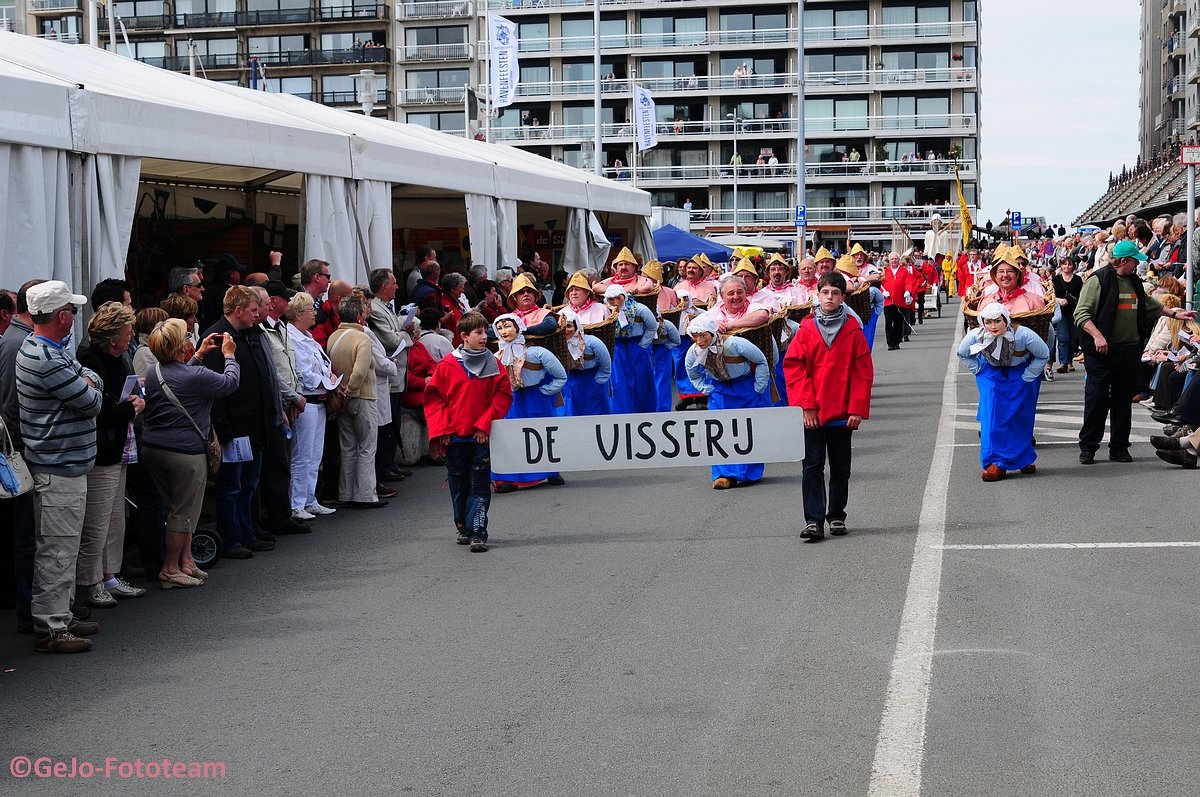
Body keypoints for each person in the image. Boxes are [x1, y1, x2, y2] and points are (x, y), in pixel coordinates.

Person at [17, 281, 104, 653]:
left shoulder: (45, 349)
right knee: (57, 550)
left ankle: (61, 615)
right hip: (58, 467)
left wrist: (88, 382)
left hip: (64, 465)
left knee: (63, 545)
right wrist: (88, 384)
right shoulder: (47, 357)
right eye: (71, 310)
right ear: (63, 316)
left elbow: (90, 379)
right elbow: (92, 400)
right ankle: (51, 627)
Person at [1075, 240, 1195, 464]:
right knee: (1097, 400)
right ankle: (1088, 448)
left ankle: (1119, 448)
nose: (1136, 266)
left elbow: (1150, 304)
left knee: (1122, 402)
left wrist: (1176, 315)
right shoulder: (1098, 280)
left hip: (1128, 352)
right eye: (1133, 262)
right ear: (1123, 261)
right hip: (1101, 354)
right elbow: (1081, 314)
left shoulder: (1134, 282)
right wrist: (1098, 336)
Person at [143, 319, 240, 587]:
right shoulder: (194, 376)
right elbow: (229, 383)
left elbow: (181, 378)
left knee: (181, 508)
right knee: (182, 511)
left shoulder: (155, 372)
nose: (190, 338)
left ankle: (186, 561)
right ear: (179, 345)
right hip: (184, 451)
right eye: (186, 336)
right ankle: (170, 568)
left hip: (154, 447)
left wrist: (197, 355)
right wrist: (229, 355)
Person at [783, 272, 874, 541]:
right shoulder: (807, 331)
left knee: (840, 467)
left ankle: (836, 515)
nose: (830, 297)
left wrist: (857, 408)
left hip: (842, 413)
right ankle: (813, 520)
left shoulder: (853, 331)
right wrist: (806, 407)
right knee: (811, 466)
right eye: (825, 293)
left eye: (835, 293)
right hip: (813, 413)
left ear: (843, 298)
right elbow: (794, 369)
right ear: (818, 295)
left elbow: (863, 372)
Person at [74, 302, 146, 608]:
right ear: (113, 336)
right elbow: (98, 411)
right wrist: (131, 407)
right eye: (127, 331)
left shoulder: (121, 357)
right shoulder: (89, 360)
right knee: (98, 522)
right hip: (103, 448)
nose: (131, 336)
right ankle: (91, 581)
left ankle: (111, 576)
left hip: (121, 444)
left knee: (116, 518)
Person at [201, 286, 281, 558]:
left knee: (249, 484)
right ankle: (232, 538)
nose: (257, 315)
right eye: (253, 311)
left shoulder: (250, 335)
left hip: (255, 423)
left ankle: (248, 531)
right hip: (235, 427)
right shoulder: (216, 338)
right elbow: (216, 390)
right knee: (232, 487)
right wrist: (224, 430)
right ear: (238, 311)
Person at [425, 312, 513, 552]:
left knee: (480, 485)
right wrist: (442, 430)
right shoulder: (447, 366)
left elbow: (503, 395)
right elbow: (435, 401)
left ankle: (478, 532)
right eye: (479, 333)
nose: (484, 337)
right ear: (464, 336)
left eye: (485, 332)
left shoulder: (494, 364)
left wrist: (485, 424)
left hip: (480, 438)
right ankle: (462, 525)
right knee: (459, 484)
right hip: (455, 438)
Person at [957, 303, 1049, 481]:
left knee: (1021, 415)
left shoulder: (1023, 334)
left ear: (1006, 320)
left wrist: (1028, 376)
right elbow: (962, 353)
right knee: (992, 415)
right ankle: (994, 462)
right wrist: (978, 370)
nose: (993, 326)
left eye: (997, 321)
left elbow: (1043, 354)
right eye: (989, 322)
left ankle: (1024, 458)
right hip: (991, 372)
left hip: (1020, 371)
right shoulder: (977, 335)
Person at [684, 315, 769, 489]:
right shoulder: (693, 353)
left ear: (712, 333)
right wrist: (707, 389)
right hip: (720, 390)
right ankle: (723, 474)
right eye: (696, 336)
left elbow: (760, 360)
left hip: (744, 387)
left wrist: (758, 387)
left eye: (703, 336)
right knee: (719, 431)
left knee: (747, 430)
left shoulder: (734, 344)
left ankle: (749, 473)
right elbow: (693, 374)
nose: (699, 341)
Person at [489, 314, 567, 493]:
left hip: (537, 399)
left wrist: (545, 391)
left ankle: (550, 471)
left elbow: (561, 375)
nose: (504, 331)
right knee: (512, 437)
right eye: (499, 328)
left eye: (507, 326)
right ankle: (510, 477)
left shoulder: (537, 353)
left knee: (543, 435)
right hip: (512, 401)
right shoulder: (497, 357)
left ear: (518, 327)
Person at [327, 294, 387, 509]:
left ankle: (346, 492)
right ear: (360, 315)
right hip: (362, 396)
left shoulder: (333, 336)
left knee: (348, 447)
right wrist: (350, 391)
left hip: (340, 397)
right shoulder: (362, 338)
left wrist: (341, 394)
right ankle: (365, 494)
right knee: (366, 447)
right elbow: (360, 372)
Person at [285, 292, 337, 520]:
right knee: (302, 455)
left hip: (320, 399)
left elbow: (321, 363)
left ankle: (309, 498)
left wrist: (330, 376)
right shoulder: (292, 337)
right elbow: (304, 372)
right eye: (310, 310)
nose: (314, 313)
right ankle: (296, 503)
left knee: (315, 454)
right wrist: (325, 380)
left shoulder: (308, 335)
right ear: (298, 314)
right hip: (308, 399)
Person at [603, 284, 658, 414]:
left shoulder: (639, 309)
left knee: (641, 377)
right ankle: (623, 410)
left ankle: (644, 409)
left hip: (636, 344)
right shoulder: (605, 311)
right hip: (617, 346)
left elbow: (651, 326)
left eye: (618, 298)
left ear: (624, 296)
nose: (615, 302)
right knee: (619, 380)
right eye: (611, 299)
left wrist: (643, 345)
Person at [557, 309, 612, 416]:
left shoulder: (592, 342)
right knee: (571, 410)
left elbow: (606, 362)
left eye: (569, 326)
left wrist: (600, 381)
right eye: (563, 326)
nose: (565, 330)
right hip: (570, 379)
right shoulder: (558, 344)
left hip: (591, 379)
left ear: (576, 326)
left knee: (594, 410)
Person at [1052, 257, 1084, 372]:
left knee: (1073, 338)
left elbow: (1082, 296)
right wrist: (1058, 300)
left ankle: (1069, 361)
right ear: (1061, 266)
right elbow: (1050, 295)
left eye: (1069, 264)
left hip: (1074, 312)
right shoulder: (1055, 279)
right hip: (1061, 312)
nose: (1067, 267)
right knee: (1063, 338)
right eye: (1064, 264)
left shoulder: (1078, 280)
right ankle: (1063, 362)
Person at [881, 251, 916, 350]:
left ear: (899, 260)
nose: (894, 261)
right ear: (889, 260)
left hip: (900, 301)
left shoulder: (904, 271)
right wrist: (883, 292)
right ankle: (890, 343)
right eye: (892, 259)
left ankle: (896, 342)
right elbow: (880, 284)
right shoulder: (885, 271)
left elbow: (908, 282)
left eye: (896, 259)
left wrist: (908, 291)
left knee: (898, 322)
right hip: (888, 302)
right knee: (888, 323)